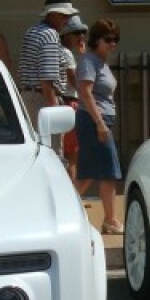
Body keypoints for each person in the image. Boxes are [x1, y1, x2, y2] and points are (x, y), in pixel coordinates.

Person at [74, 19, 123, 234]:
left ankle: (62, 207)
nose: (113, 44)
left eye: (116, 40)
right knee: (109, 172)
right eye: (108, 39)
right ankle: (111, 221)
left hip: (99, 122)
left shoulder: (97, 61)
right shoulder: (90, 62)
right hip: (93, 122)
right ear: (97, 40)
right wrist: (100, 123)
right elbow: (85, 92)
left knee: (87, 174)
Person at [19, 0, 77, 121]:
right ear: (52, 14)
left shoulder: (33, 30)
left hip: (29, 97)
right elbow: (47, 78)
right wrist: (54, 109)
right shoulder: (50, 34)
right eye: (64, 15)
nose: (67, 20)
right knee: (51, 140)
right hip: (43, 99)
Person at [59, 14, 88, 182]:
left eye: (82, 32)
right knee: (72, 156)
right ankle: (74, 195)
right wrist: (83, 56)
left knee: (65, 153)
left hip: (62, 102)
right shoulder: (67, 54)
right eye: (76, 33)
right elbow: (76, 82)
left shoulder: (59, 51)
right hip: (70, 103)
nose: (81, 37)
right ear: (66, 35)